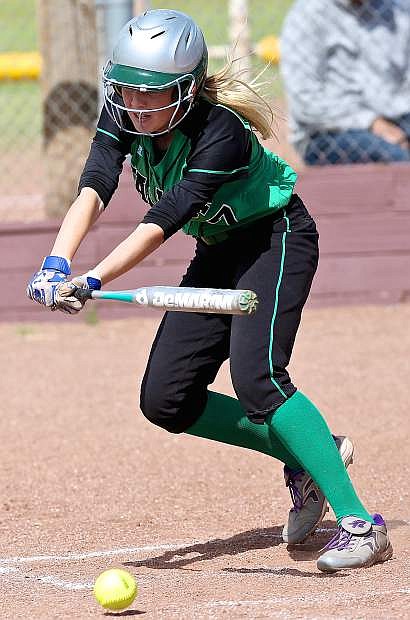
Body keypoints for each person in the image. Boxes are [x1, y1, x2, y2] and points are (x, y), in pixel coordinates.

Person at [27, 9, 392, 572]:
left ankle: (361, 525)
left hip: (275, 240)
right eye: (127, 90)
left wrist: (93, 279)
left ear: (190, 89)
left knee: (258, 380)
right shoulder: (126, 112)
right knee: (166, 401)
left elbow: (163, 219)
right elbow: (95, 186)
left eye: (154, 95)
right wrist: (56, 263)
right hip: (219, 250)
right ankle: (306, 457)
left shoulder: (218, 131)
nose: (137, 105)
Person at [280, 0, 410, 165]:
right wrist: (372, 122)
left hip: (396, 114)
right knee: (400, 161)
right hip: (330, 131)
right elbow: (306, 101)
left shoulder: (398, 9)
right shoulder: (307, 14)